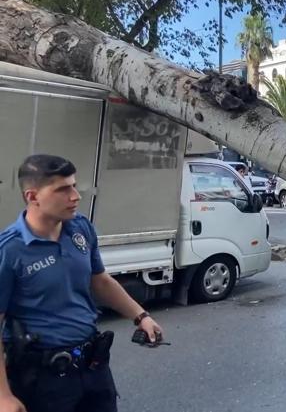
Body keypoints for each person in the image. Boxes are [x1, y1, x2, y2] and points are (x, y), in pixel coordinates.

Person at [0, 154, 164, 412]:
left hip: (93, 367)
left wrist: (140, 315)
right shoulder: (10, 250)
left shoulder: (80, 228)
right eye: (63, 189)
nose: (75, 195)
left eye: (74, 185)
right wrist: (3, 396)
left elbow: (99, 280)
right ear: (33, 197)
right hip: (42, 378)